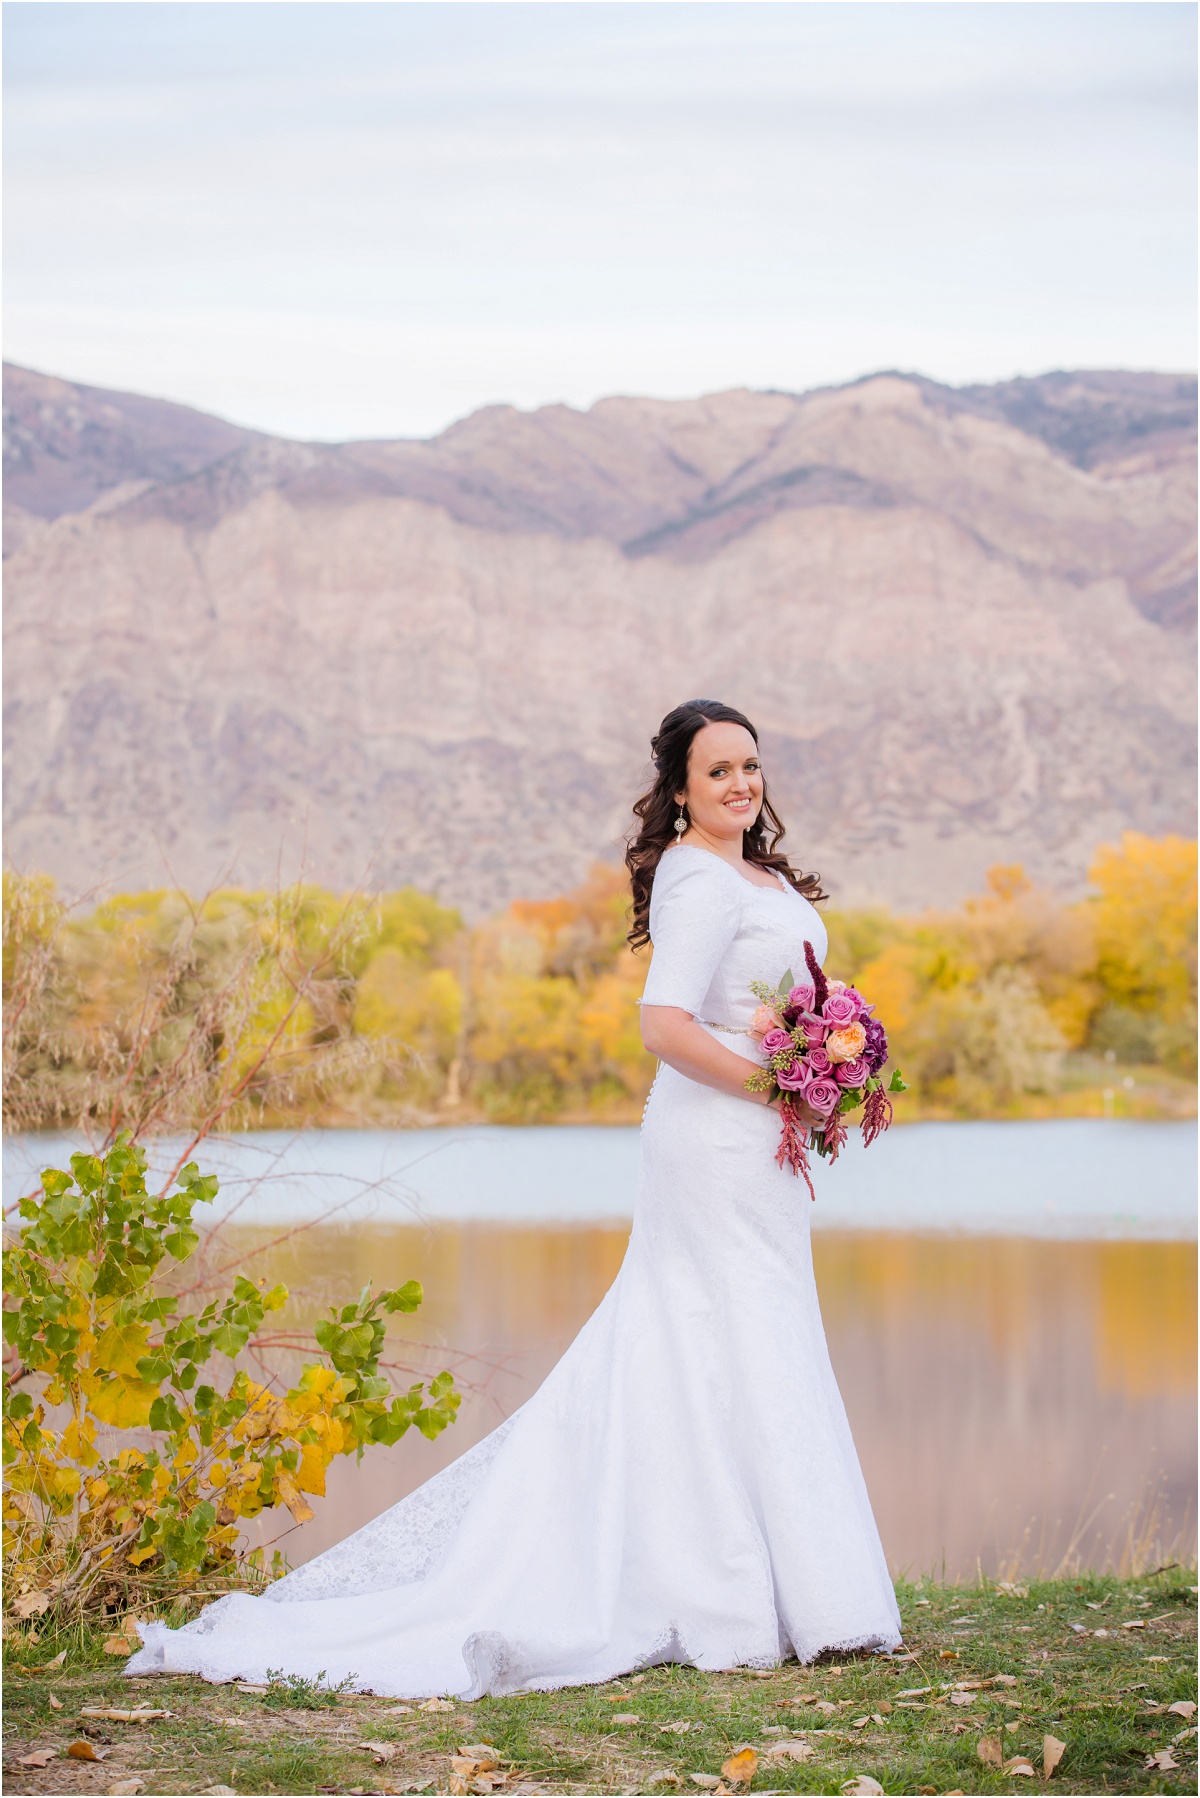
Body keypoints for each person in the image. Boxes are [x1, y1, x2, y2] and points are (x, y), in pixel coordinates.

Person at [125, 697, 902, 1697]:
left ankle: (800, 1590)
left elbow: (779, 1005)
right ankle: (728, 1593)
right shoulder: (696, 878)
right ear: (679, 790)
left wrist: (825, 1082)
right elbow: (664, 1023)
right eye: (718, 771)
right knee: (719, 1333)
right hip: (713, 1139)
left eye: (750, 765)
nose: (742, 784)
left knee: (757, 1332)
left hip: (765, 1146)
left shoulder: (760, 875)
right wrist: (777, 1085)